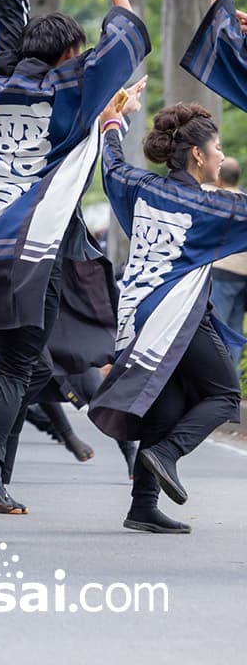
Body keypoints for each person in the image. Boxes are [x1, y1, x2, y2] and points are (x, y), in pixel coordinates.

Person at [0, 0, 149, 537]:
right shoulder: (75, 82)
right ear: (68, 51)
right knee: (17, 362)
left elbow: (5, 22)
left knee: (20, 359)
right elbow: (129, 38)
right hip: (32, 245)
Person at [90, 82, 244, 532]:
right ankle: (168, 452)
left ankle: (142, 507)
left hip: (135, 308)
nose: (220, 155)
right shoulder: (213, 208)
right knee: (224, 394)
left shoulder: (139, 186)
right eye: (216, 147)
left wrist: (114, 119)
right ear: (197, 154)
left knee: (165, 404)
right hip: (173, 312)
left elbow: (112, 163)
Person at [207, 157, 247, 367]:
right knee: (235, 330)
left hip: (222, 273)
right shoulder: (244, 199)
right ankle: (233, 386)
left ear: (219, 178)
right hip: (243, 276)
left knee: (218, 331)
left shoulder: (216, 200)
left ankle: (220, 387)